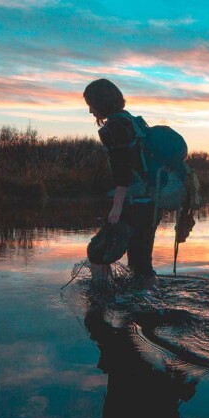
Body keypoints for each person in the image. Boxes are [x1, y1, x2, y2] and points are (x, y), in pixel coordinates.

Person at [83, 78, 160, 289]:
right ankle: (153, 306)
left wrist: (116, 208)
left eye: (91, 103)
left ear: (101, 101)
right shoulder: (132, 121)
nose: (90, 110)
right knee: (141, 264)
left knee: (97, 253)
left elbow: (122, 170)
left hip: (133, 202)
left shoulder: (115, 126)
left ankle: (101, 298)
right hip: (151, 201)